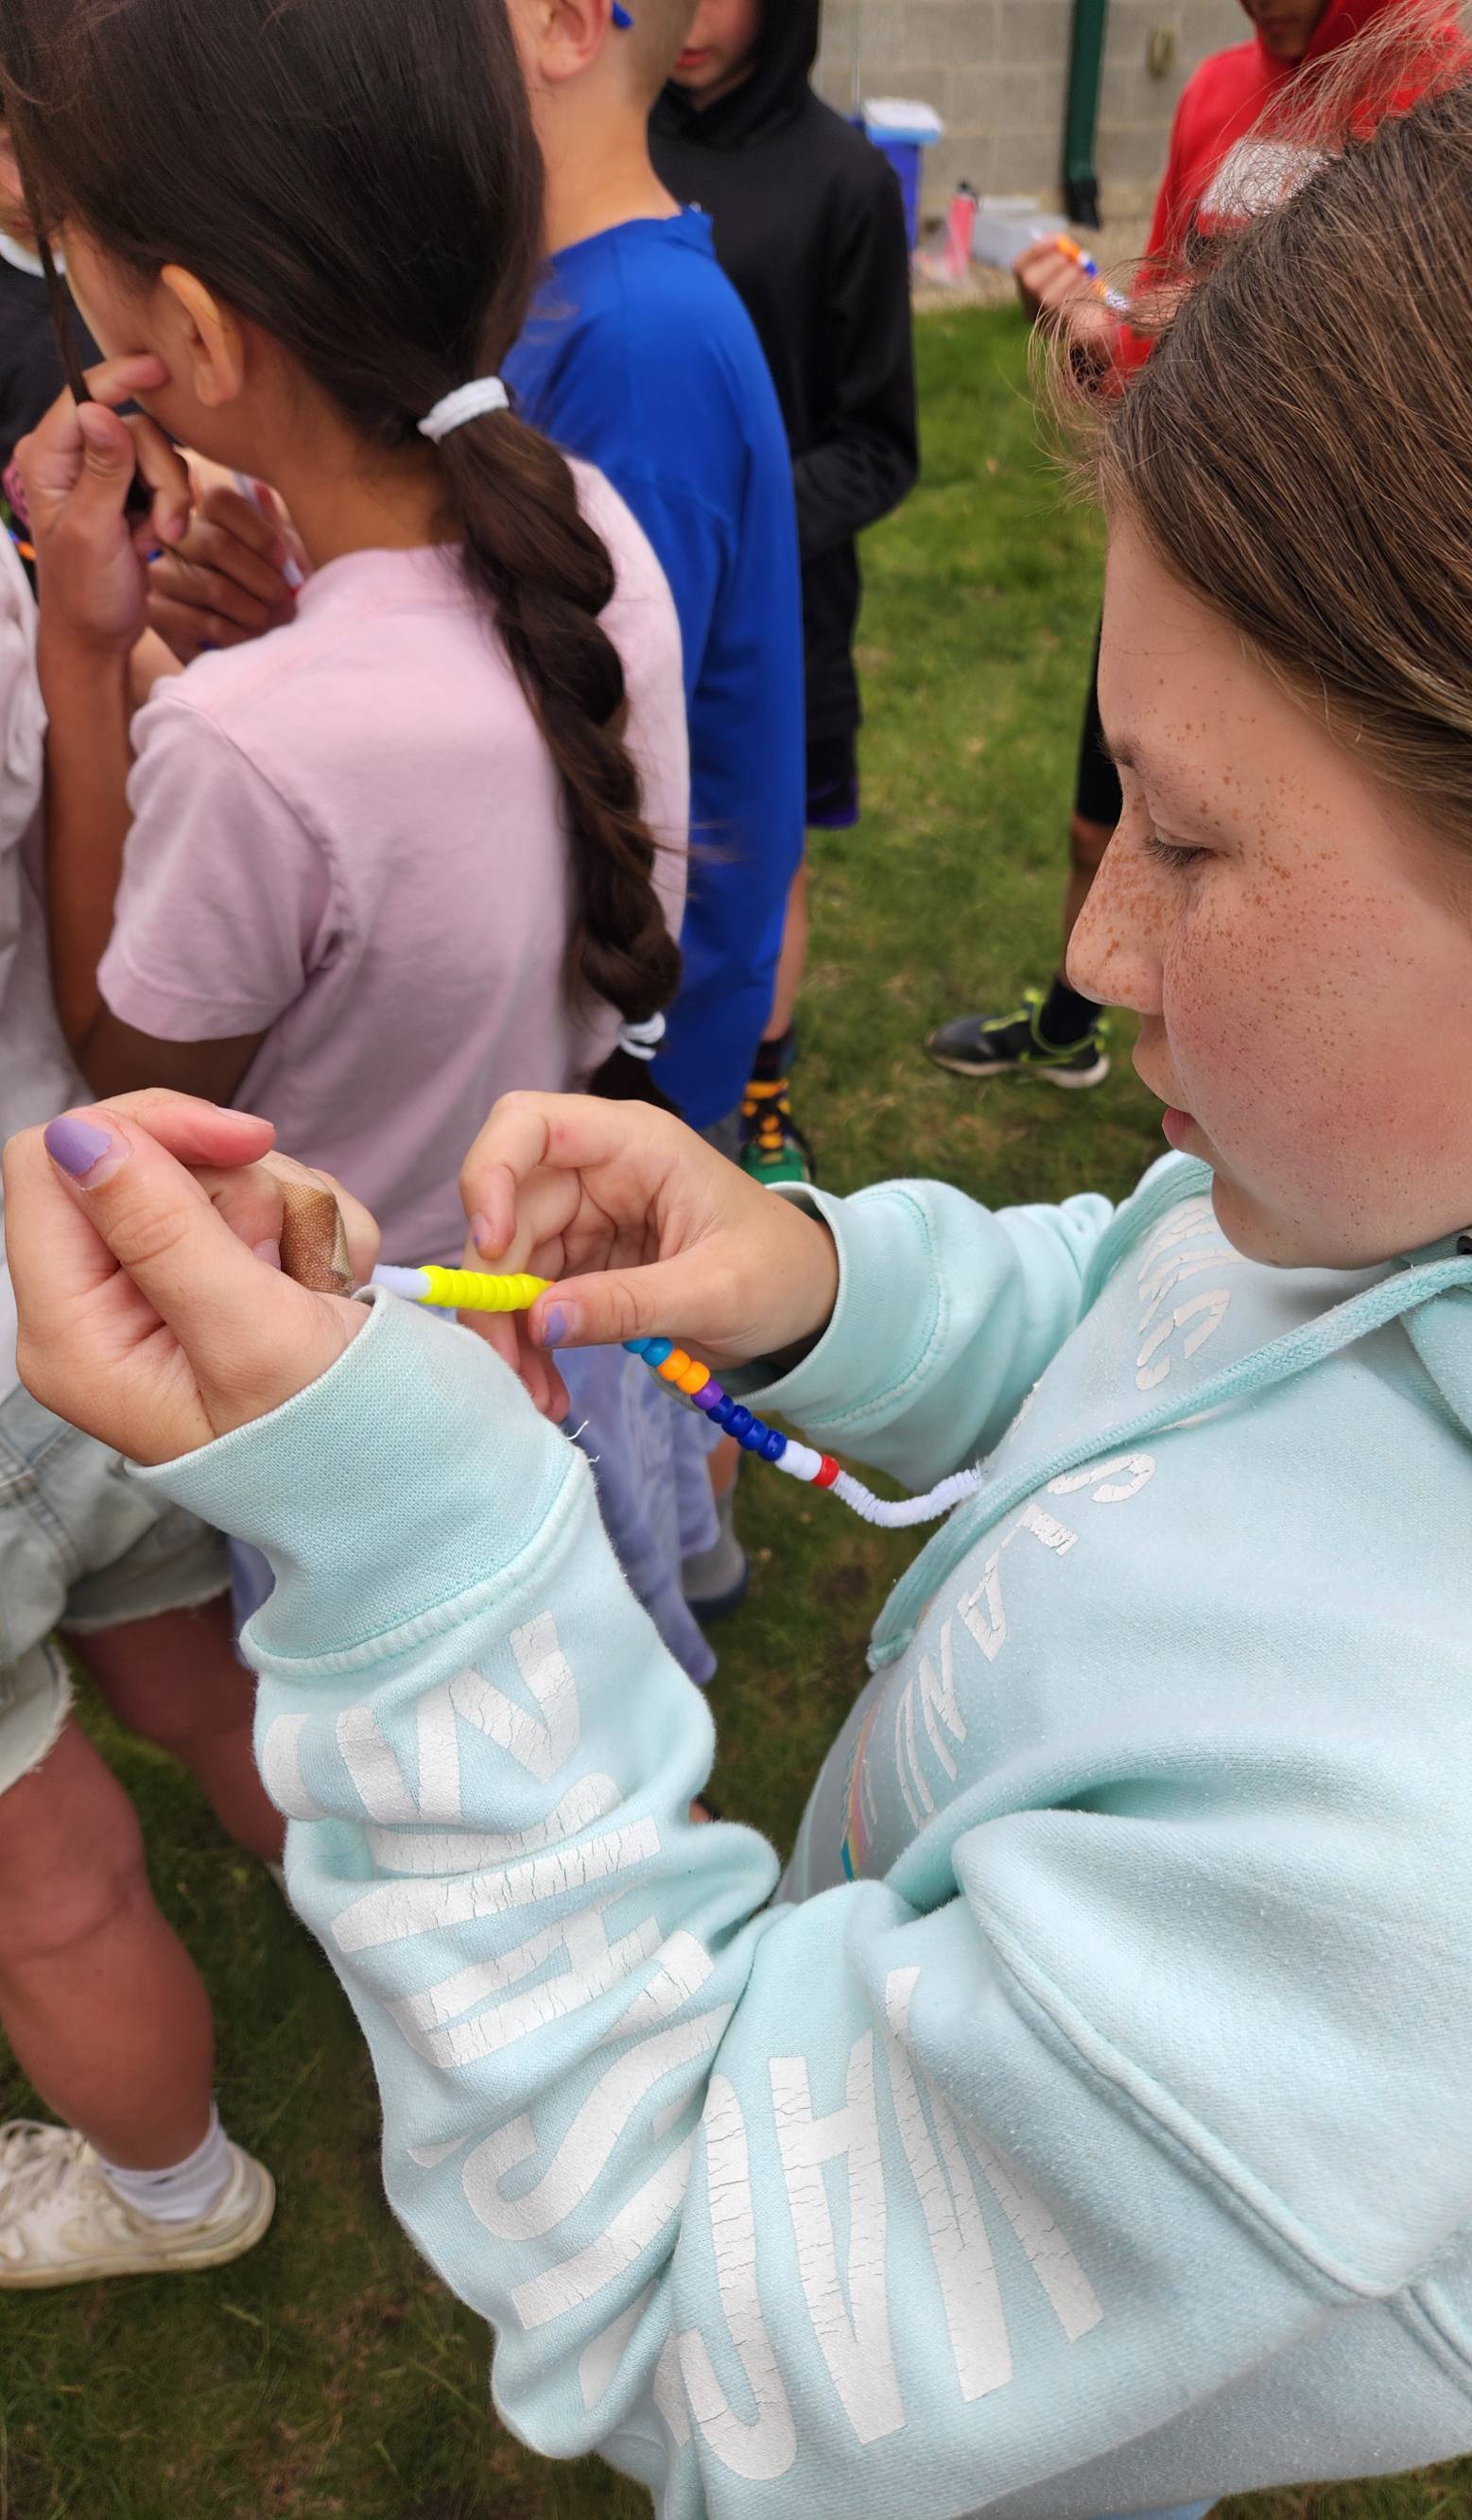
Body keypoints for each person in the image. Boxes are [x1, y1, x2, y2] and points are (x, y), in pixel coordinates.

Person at [12, 0, 1472, 2510]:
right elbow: (1160, 1309)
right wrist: (815, 1280)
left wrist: (434, 1540)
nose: (1095, 951)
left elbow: (699, 2305)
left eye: (1195, 846)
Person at [6, 0, 722, 1681]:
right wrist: (290, 623)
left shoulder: (252, 741)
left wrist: (83, 652)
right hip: (570, 1297)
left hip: (377, 1386)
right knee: (611, 1701)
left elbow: (131, 1083)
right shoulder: (585, 527)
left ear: (181, 324)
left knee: (449, 1781)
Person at [926, 0, 1464, 1090]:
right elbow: (1156, 324)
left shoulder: (1435, 82)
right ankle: (1071, 1030)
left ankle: (1243, 1099)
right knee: (1111, 826)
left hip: (1317, 589)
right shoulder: (1215, 88)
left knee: (1262, 869)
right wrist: (1099, 340)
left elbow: (1424, 384)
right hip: (1174, 558)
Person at [0, 501, 284, 2289]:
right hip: (74, 1234)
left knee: (44, 1871)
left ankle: (171, 2195)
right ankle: (412, 1949)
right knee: (203, 1672)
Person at [505, 0, 805, 1616]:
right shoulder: (581, 302)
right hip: (627, 1002)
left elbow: (606, 732)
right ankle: (699, 1516)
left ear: (562, 26)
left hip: (632, 1007)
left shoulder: (634, 340)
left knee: (614, 1350)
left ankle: (663, 1585)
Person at [652, 0, 917, 1186]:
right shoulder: (608, 151)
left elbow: (878, 443)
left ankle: (763, 1099)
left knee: (763, 861)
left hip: (777, 610)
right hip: (613, 599)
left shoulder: (845, 178)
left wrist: (729, 533)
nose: (688, 17)